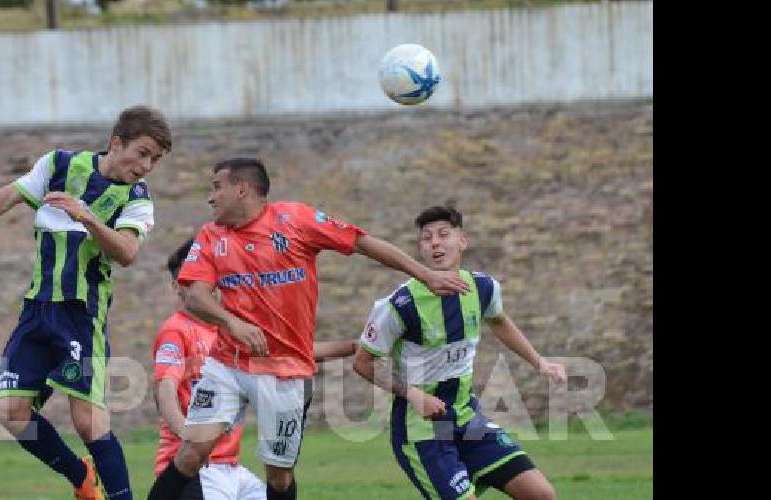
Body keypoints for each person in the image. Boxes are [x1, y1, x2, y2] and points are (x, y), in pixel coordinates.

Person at [147, 158, 469, 500]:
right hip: (228, 364)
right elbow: (195, 296)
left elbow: (361, 242)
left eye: (217, 188)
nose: (211, 198)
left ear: (241, 189)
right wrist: (232, 323)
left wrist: (426, 274)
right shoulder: (212, 236)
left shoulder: (295, 220)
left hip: (286, 373)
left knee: (280, 478)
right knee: (189, 455)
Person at [0, 105, 172, 500]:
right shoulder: (60, 164)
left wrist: (89, 219)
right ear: (117, 142)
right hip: (37, 310)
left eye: (156, 159)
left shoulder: (136, 197)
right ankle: (81, 478)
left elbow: (127, 252)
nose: (147, 166)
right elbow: (9, 196)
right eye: (143, 153)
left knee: (88, 421)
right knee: (10, 413)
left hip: (82, 315)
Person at [352, 205, 566, 500]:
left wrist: (540, 362)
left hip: (467, 419)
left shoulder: (482, 288)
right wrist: (415, 394)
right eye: (427, 238)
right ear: (421, 249)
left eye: (443, 235)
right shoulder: (398, 305)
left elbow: (499, 320)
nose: (435, 243)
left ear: (462, 240)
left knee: (542, 494)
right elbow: (363, 363)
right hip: (424, 431)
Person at [153, 238, 358, 500]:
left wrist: (352, 347)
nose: (202, 286)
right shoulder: (176, 330)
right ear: (176, 287)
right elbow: (164, 388)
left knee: (279, 485)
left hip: (230, 467)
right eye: (189, 279)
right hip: (197, 468)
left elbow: (289, 353)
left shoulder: (230, 329)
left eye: (206, 276)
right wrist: (185, 434)